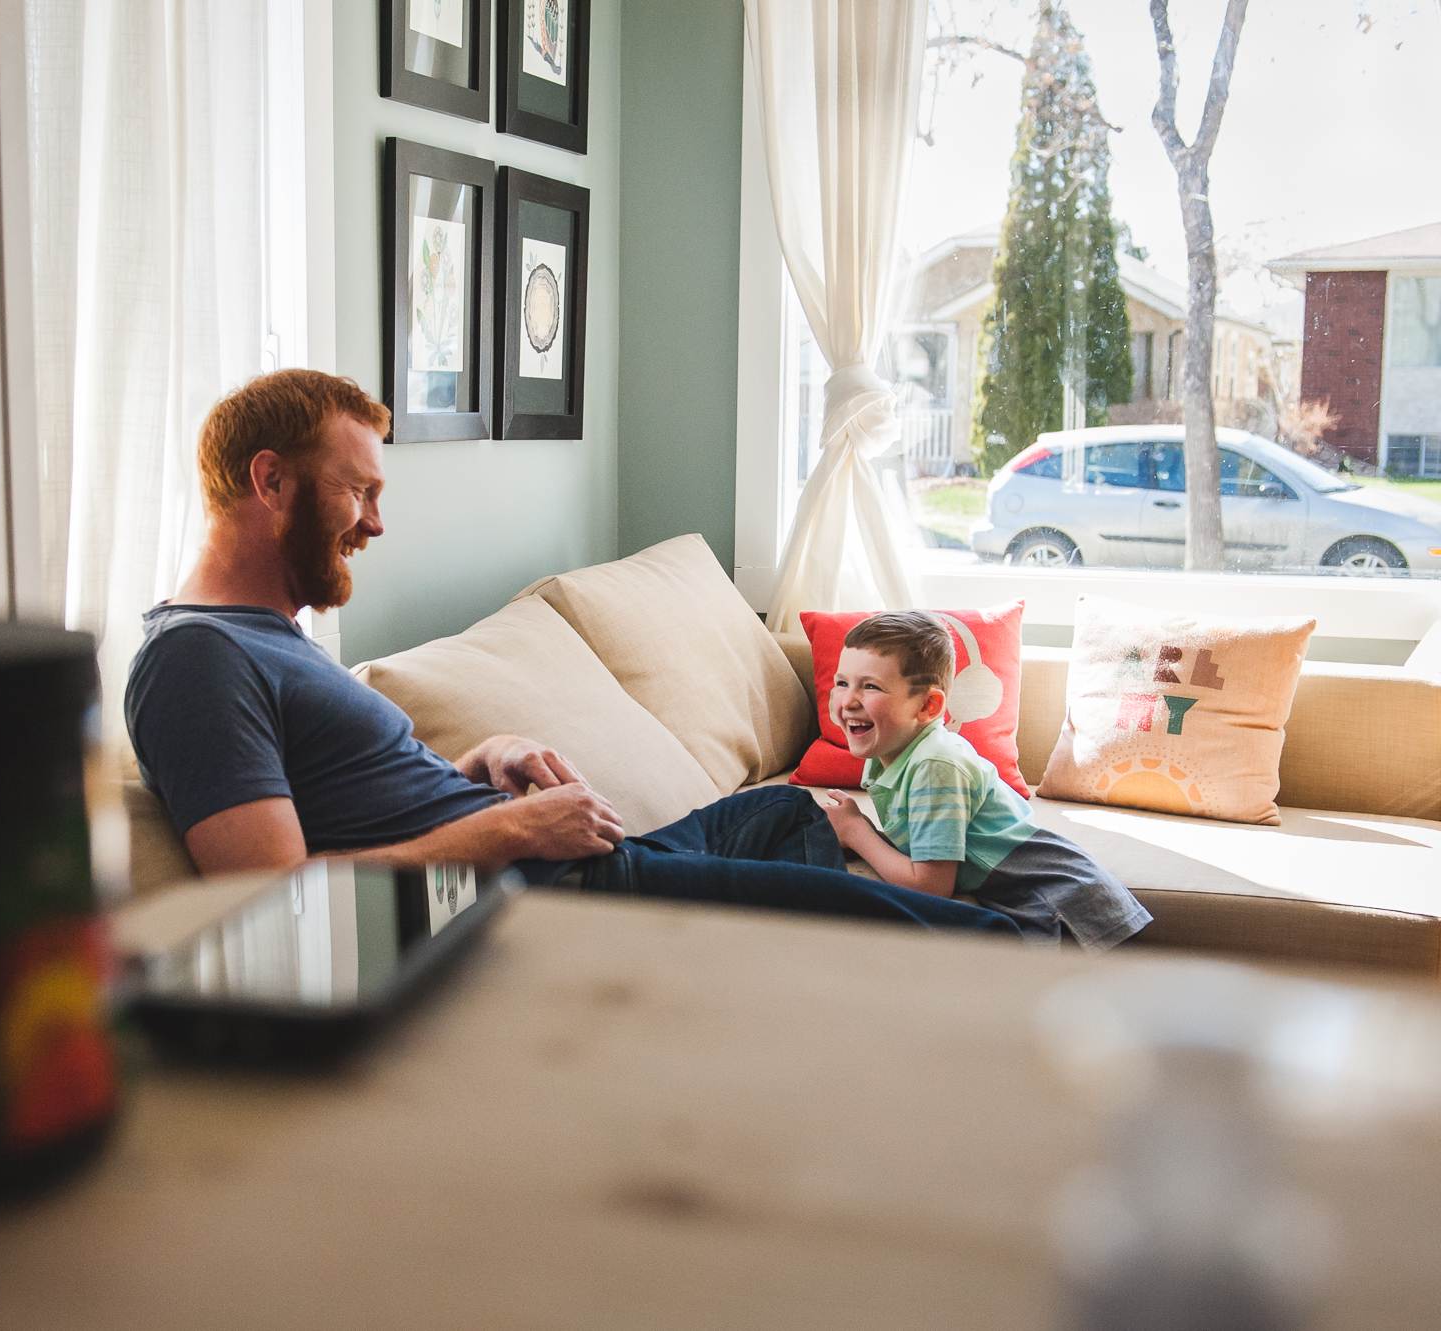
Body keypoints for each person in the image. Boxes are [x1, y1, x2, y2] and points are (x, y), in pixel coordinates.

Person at [125, 369, 1021, 937]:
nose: (375, 521)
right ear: (270, 481)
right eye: (357, 490)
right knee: (949, 937)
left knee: (794, 817)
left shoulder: (271, 637)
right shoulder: (194, 661)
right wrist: (507, 829)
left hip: (584, 859)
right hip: (560, 900)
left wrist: (480, 765)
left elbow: (367, 797)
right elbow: (269, 890)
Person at [821, 611, 1152, 949]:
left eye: (871, 686)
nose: (848, 701)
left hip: (1060, 898)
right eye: (842, 683)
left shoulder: (934, 765)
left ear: (928, 706)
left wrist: (858, 832)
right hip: (1020, 893)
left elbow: (931, 888)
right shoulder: (893, 756)